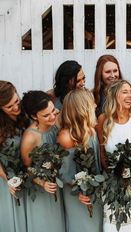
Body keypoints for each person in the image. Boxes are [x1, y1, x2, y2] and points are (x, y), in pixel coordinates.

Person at [96, 80, 131, 231]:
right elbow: (102, 153)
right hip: (111, 184)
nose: (130, 96)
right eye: (125, 92)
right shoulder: (103, 120)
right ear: (114, 96)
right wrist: (114, 176)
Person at [57, 89, 103, 232]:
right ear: (82, 108)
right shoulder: (67, 136)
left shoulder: (91, 130)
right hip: (76, 193)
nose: (95, 106)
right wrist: (80, 191)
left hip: (93, 190)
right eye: (91, 103)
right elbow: (65, 173)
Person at [20, 90, 65, 232]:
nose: (52, 116)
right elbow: (26, 168)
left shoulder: (57, 120)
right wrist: (42, 183)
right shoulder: (30, 138)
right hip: (42, 192)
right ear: (34, 116)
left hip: (59, 187)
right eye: (46, 115)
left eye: (53, 111)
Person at [0, 81, 29, 232]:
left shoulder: (24, 112)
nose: (16, 108)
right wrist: (7, 180)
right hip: (6, 177)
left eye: (16, 101)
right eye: (9, 107)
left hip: (25, 174)